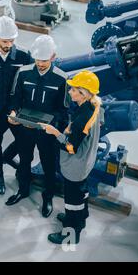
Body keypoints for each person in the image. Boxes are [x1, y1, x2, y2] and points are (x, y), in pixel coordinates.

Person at [6, 35, 69, 218]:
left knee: (49, 165)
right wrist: (13, 113)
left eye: (44, 60)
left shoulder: (61, 79)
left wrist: (51, 125)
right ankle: (23, 190)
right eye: (37, 59)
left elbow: (63, 110)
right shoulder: (24, 72)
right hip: (25, 127)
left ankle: (47, 197)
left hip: (46, 131)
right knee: (24, 160)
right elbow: (15, 98)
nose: (40, 63)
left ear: (53, 56)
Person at [39, 70, 102, 244]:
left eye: (74, 89)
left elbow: (71, 147)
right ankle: (80, 220)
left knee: (72, 200)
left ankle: (71, 234)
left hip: (75, 167)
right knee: (81, 194)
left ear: (83, 93)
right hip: (85, 163)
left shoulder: (83, 117)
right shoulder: (93, 106)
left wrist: (55, 133)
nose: (70, 92)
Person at [0, 16, 33, 195]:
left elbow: (28, 84)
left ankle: (18, 168)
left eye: (12, 40)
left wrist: (17, 109)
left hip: (16, 111)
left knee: (24, 143)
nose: (9, 44)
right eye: (5, 41)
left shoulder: (24, 57)